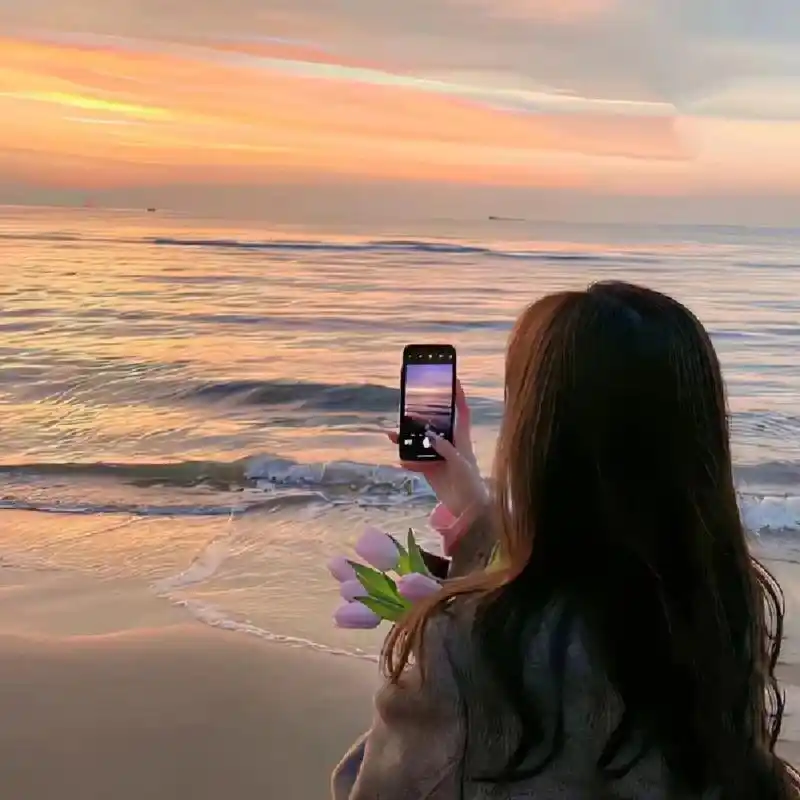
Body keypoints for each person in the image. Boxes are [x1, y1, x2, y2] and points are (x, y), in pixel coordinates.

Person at [332, 281, 800, 799]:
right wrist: (473, 508)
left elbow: (382, 788)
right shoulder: (719, 606)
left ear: (537, 443)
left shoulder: (464, 642)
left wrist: (453, 606)